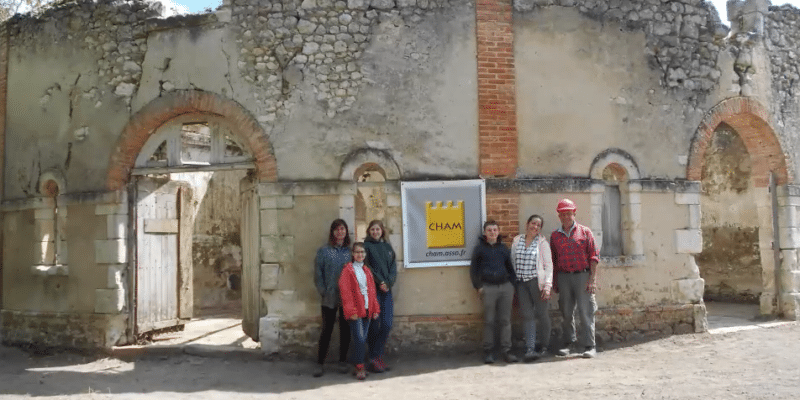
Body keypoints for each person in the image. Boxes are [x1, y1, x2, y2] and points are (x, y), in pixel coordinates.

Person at [549, 199, 600, 359]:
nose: (566, 217)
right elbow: (553, 260)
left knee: (586, 312)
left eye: (569, 213)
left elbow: (594, 257)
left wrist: (592, 280)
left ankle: (589, 345)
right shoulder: (555, 236)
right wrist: (555, 281)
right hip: (564, 277)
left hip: (582, 276)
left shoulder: (585, 232)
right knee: (566, 312)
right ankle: (568, 343)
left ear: (574, 214)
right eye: (562, 214)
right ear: (559, 216)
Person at [470, 220, 518, 364]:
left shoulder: (503, 248)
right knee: (489, 321)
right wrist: (478, 286)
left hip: (505, 287)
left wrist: (512, 284)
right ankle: (488, 351)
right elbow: (473, 270)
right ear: (485, 232)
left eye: (495, 230)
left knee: (505, 320)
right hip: (488, 288)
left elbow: (510, 267)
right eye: (489, 230)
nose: (492, 232)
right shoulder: (479, 249)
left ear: (498, 232)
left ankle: (506, 350)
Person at [511, 214, 554, 362]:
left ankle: (545, 346)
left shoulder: (542, 243)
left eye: (538, 225)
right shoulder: (517, 241)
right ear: (527, 224)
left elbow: (549, 266)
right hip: (521, 283)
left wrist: (547, 286)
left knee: (542, 314)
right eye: (533, 223)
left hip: (537, 283)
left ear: (540, 229)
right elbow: (513, 261)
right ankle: (530, 348)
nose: (535, 227)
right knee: (527, 315)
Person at [313, 219, 352, 377]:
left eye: (342, 229)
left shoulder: (349, 252)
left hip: (346, 297)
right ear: (332, 232)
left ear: (346, 231)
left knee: (345, 330)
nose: (340, 232)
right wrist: (323, 291)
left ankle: (342, 361)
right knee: (327, 329)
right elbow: (318, 273)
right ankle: (319, 363)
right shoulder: (324, 251)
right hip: (329, 296)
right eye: (337, 229)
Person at [339, 242, 381, 380]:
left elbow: (372, 291)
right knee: (360, 339)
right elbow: (345, 292)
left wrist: (375, 308)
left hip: (367, 309)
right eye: (357, 252)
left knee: (362, 339)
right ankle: (359, 367)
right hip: (356, 311)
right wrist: (351, 311)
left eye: (362, 252)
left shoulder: (366, 270)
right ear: (353, 254)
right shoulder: (348, 270)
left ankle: (358, 363)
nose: (360, 254)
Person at [363, 220, 397, 373]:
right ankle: (374, 358)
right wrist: (380, 282)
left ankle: (376, 356)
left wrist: (388, 283)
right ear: (369, 231)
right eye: (372, 229)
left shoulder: (388, 247)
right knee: (374, 325)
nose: (375, 232)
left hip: (386, 290)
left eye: (377, 229)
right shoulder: (366, 247)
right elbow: (367, 267)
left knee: (387, 324)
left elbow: (393, 268)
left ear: (382, 231)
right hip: (373, 290)